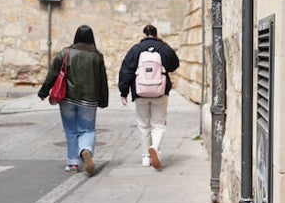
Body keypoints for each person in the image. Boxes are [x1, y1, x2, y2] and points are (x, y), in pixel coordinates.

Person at [38, 24, 110, 175]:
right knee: (87, 129)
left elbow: (53, 74)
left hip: (67, 98)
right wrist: (103, 100)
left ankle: (72, 164)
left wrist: (44, 91)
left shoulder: (66, 52)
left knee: (70, 130)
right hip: (89, 100)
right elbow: (102, 80)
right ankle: (86, 150)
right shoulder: (97, 56)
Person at [117, 24, 180, 170]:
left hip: (140, 92)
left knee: (143, 125)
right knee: (159, 124)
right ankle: (155, 147)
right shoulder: (164, 48)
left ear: (144, 35)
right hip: (160, 91)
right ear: (156, 34)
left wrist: (123, 92)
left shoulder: (136, 49)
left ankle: (146, 157)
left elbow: (126, 70)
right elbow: (174, 64)